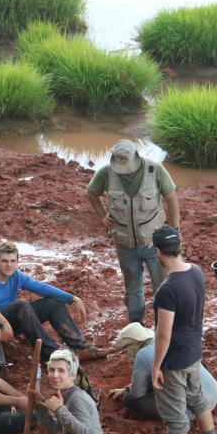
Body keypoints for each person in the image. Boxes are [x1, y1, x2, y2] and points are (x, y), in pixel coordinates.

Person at [142, 227, 217, 434]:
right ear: (178, 247)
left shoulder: (168, 289)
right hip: (194, 353)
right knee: (197, 399)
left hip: (174, 361)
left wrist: (156, 366)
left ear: (157, 253)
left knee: (175, 416)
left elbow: (163, 334)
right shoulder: (196, 271)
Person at [0, 242, 95, 374]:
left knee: (53, 303)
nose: (9, 265)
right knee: (21, 305)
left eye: (12, 261)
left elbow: (41, 287)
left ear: (17, 262)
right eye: (4, 261)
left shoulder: (16, 276)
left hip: (10, 323)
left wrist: (72, 298)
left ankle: (79, 346)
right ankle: (52, 353)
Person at [86, 139, 180, 325]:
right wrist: (103, 216)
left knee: (161, 287)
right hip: (124, 243)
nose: (127, 171)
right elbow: (91, 192)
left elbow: (171, 199)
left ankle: (162, 327)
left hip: (155, 244)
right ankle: (136, 325)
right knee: (132, 289)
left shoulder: (155, 170)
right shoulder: (106, 173)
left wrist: (175, 231)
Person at [107, 322, 217, 420]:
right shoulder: (168, 340)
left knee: (129, 398)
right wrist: (126, 388)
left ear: (132, 346)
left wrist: (127, 391)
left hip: (192, 410)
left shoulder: (142, 354)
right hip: (213, 393)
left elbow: (137, 393)